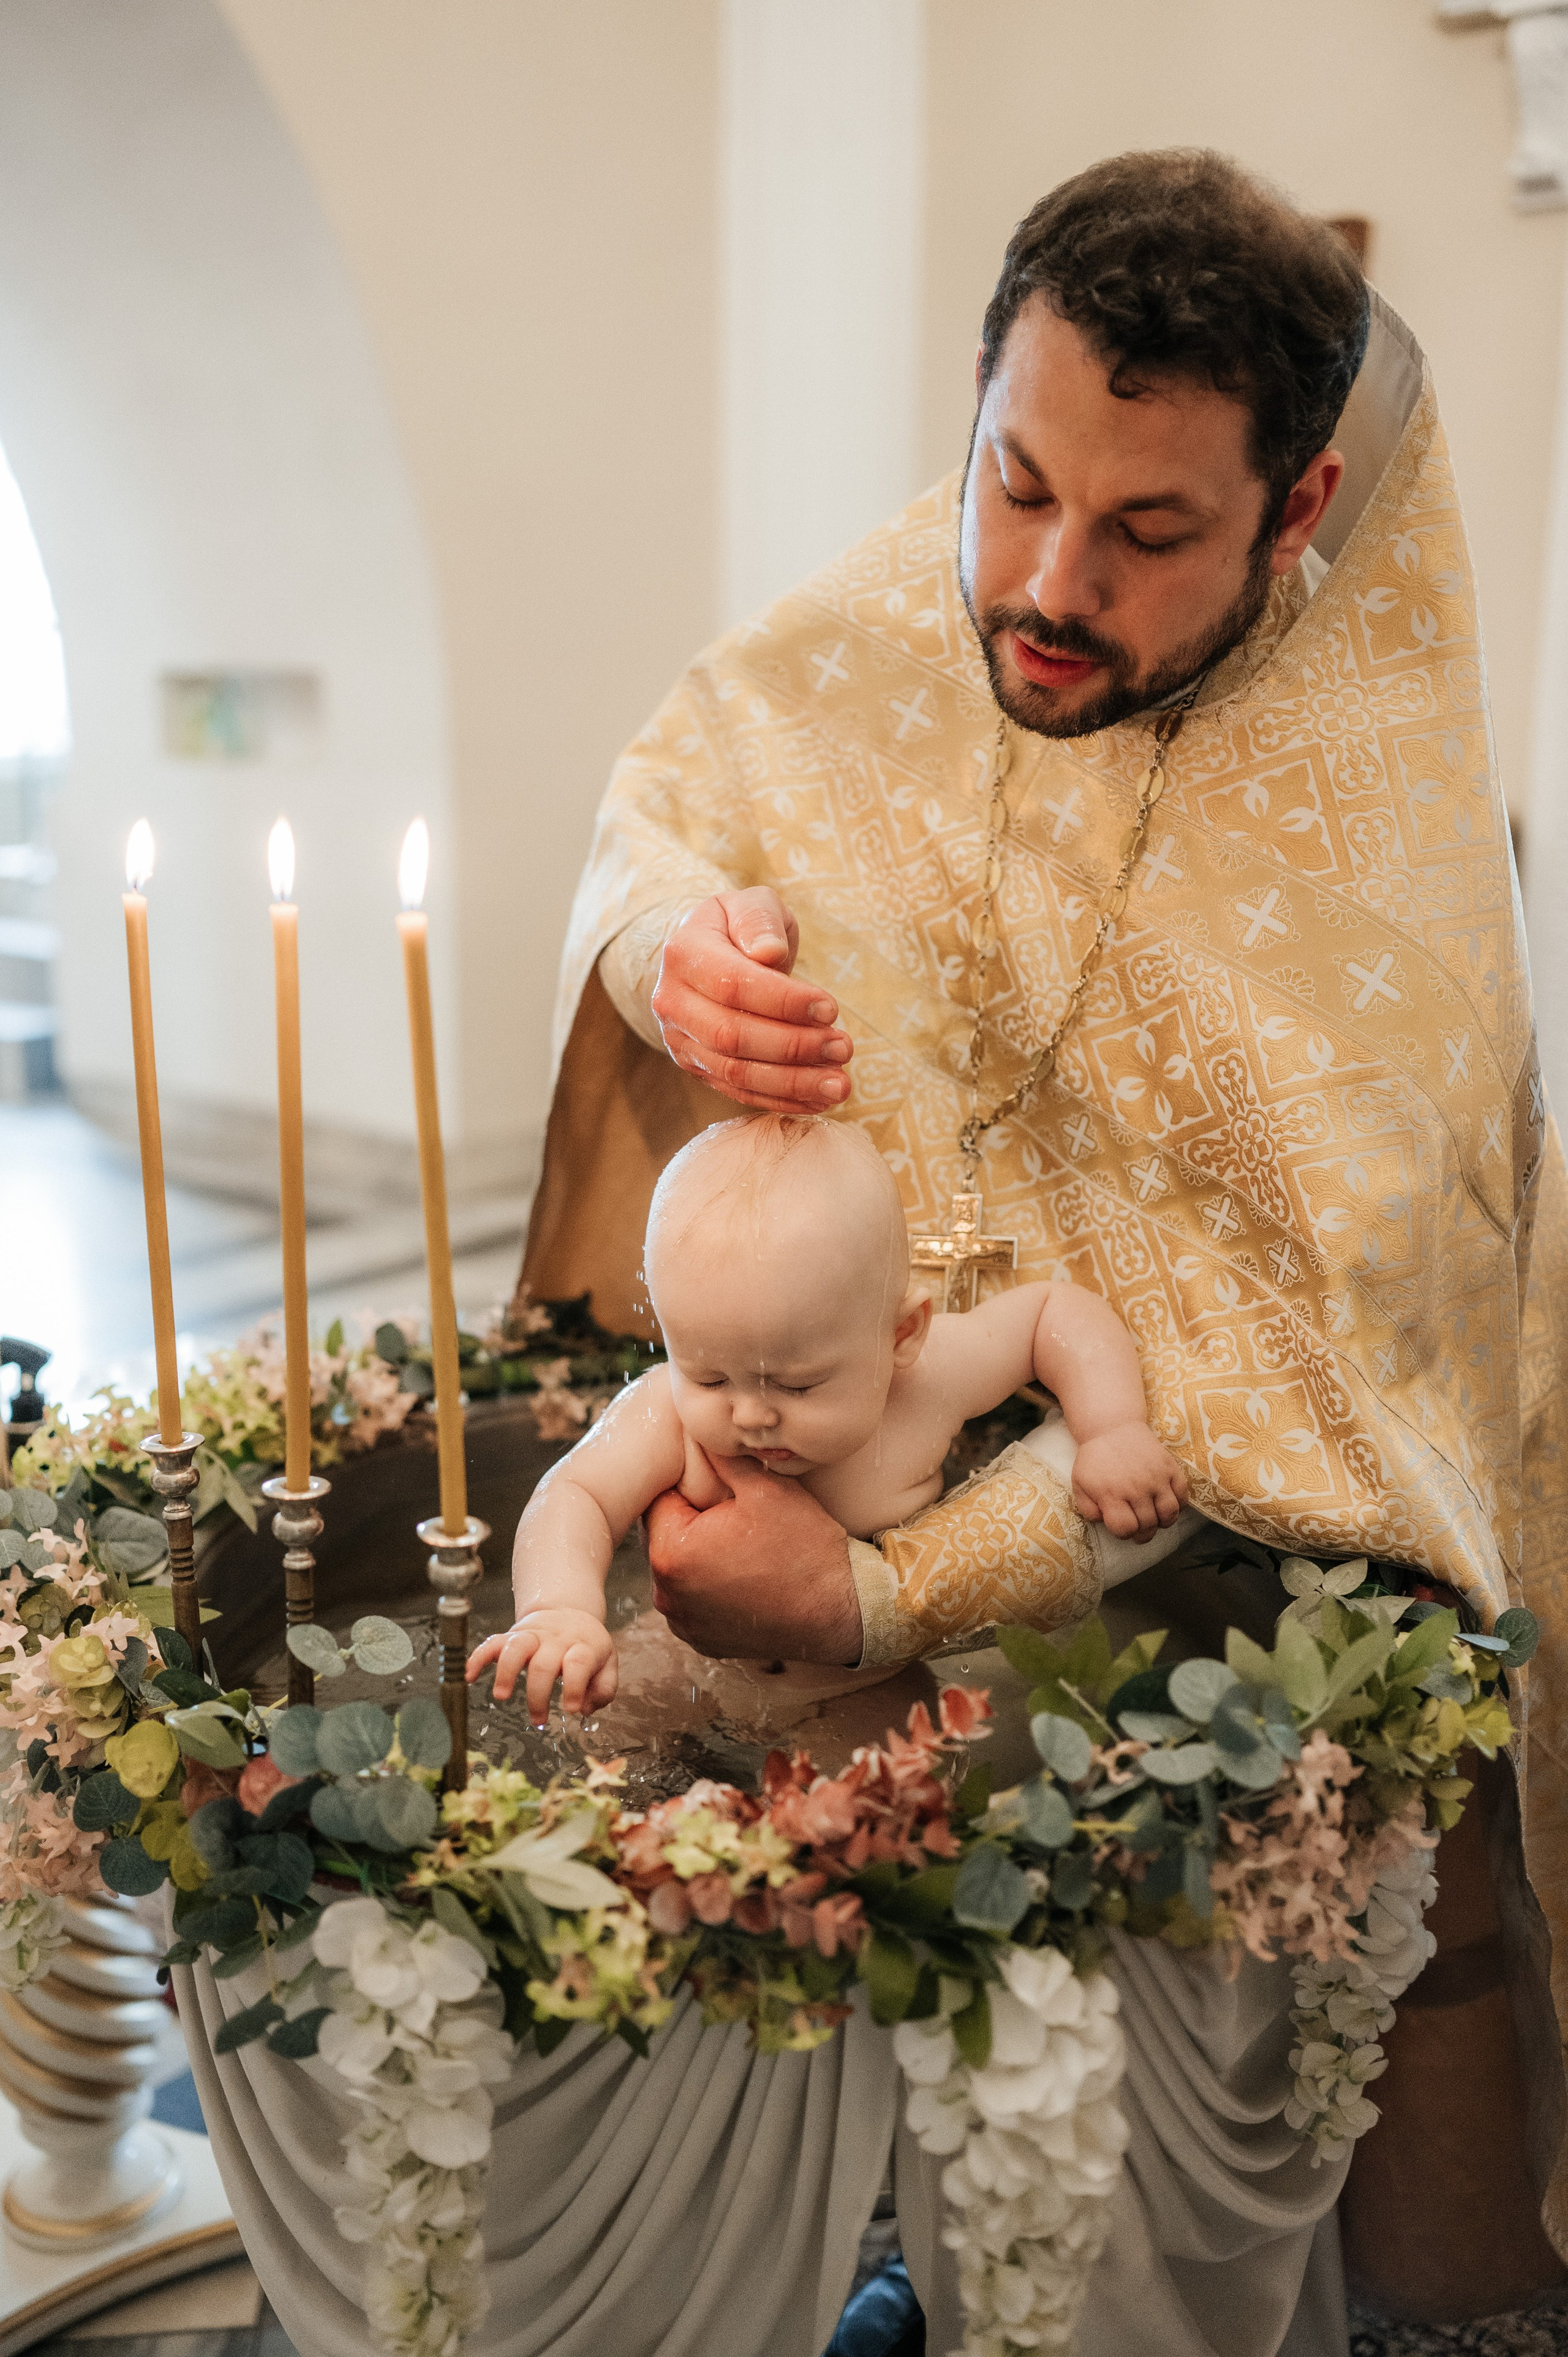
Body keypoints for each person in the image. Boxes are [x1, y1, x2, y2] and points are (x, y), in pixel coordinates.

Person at [517, 149, 1568, 2345]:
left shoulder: (1385, 906)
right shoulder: (925, 601)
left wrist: (878, 1589)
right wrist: (666, 959)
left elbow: (1293, 1440)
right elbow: (665, 802)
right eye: (1011, 482)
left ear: (1292, 509)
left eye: (1147, 531)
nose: (1042, 582)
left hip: (1194, 1676)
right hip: (818, 1493)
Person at [473, 1114, 1186, 1721]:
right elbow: (573, 1493)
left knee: (891, 1794)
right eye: (707, 1374)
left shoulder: (924, 1382)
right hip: (686, 1654)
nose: (749, 1414)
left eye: (798, 1384)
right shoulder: (665, 1411)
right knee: (597, 1735)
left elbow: (1052, 1312)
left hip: (861, 1681)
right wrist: (559, 1608)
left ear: (900, 1335)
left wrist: (1111, 1426)